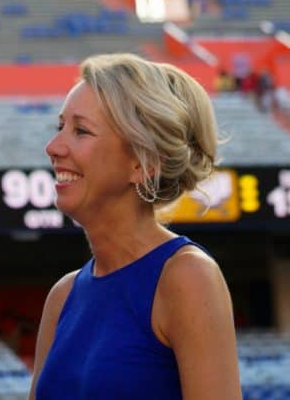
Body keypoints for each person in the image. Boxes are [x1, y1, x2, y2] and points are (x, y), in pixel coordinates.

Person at [30, 54, 240, 400]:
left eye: (81, 130)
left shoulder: (187, 277)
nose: (53, 147)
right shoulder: (63, 296)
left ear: (144, 164)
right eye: (60, 127)